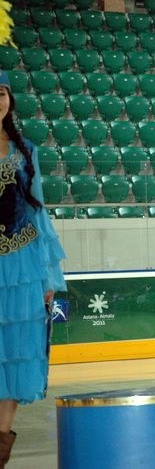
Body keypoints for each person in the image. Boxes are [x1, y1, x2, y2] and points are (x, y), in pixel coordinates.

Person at [0, 69, 66, 467]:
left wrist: (46, 276)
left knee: (17, 354)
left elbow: (38, 215)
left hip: (22, 267)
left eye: (3, 94)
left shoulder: (26, 151)